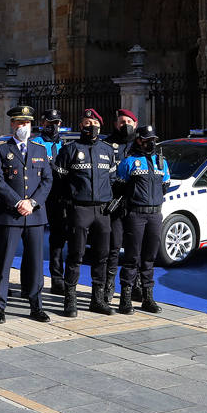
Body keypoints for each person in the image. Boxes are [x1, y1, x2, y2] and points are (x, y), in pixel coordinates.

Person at [0, 106, 52, 323]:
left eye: (26, 123)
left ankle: (36, 305)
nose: (22, 126)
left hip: (34, 215)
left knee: (35, 263)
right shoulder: (0, 149)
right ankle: (0, 307)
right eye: (18, 123)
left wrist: (32, 202)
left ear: (31, 125)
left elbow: (47, 180)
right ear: (12, 125)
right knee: (4, 263)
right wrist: (18, 202)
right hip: (10, 215)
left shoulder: (40, 150)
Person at [52, 109, 117, 317]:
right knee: (76, 254)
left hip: (102, 210)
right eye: (86, 123)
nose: (90, 126)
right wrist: (67, 204)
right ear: (80, 126)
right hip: (79, 209)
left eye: (94, 123)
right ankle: (70, 299)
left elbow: (113, 180)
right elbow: (59, 181)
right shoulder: (70, 150)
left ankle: (97, 299)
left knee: (101, 255)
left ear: (100, 125)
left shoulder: (107, 150)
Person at [115, 125, 169, 314]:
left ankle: (148, 298)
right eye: (147, 139)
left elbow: (165, 186)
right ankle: (126, 298)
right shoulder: (129, 162)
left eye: (153, 139)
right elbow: (119, 187)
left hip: (155, 214)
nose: (151, 143)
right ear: (138, 140)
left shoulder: (162, 162)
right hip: (136, 214)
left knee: (149, 258)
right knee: (132, 257)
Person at [104, 108, 139, 305]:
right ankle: (109, 286)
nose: (124, 124)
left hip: (136, 205)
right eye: (121, 121)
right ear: (116, 124)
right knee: (113, 247)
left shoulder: (142, 143)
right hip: (115, 204)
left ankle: (135, 286)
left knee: (135, 249)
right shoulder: (108, 144)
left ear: (135, 123)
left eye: (128, 121)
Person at [33, 109, 67, 295]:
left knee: (57, 240)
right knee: (34, 240)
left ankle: (57, 279)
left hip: (57, 198)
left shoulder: (64, 146)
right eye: (50, 122)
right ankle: (33, 278)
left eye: (57, 122)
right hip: (38, 197)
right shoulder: (35, 143)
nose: (53, 126)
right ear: (43, 123)